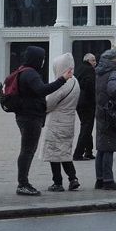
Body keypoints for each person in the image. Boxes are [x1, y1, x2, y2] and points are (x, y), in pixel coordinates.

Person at [15, 46, 73, 196]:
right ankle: (23, 184)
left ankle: (23, 182)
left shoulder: (23, 71)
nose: (43, 61)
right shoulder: (31, 74)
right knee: (27, 151)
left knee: (27, 150)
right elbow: (42, 90)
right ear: (36, 59)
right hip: (30, 117)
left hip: (24, 115)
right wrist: (62, 80)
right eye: (42, 58)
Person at [42, 53, 81, 192]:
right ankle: (73, 178)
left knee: (54, 153)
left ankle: (57, 182)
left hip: (57, 122)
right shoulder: (75, 81)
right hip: (69, 121)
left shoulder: (63, 83)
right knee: (64, 152)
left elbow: (49, 103)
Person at [94, 46, 116, 190]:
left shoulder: (99, 72)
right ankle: (108, 181)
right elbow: (113, 90)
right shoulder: (113, 73)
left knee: (101, 149)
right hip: (111, 115)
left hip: (101, 113)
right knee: (108, 148)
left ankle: (100, 180)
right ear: (113, 60)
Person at [73, 53, 97, 161]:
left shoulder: (78, 68)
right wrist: (94, 98)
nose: (95, 63)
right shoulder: (89, 70)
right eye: (93, 60)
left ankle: (88, 151)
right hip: (87, 103)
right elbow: (90, 86)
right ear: (88, 60)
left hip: (78, 102)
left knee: (86, 126)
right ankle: (78, 153)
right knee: (86, 127)